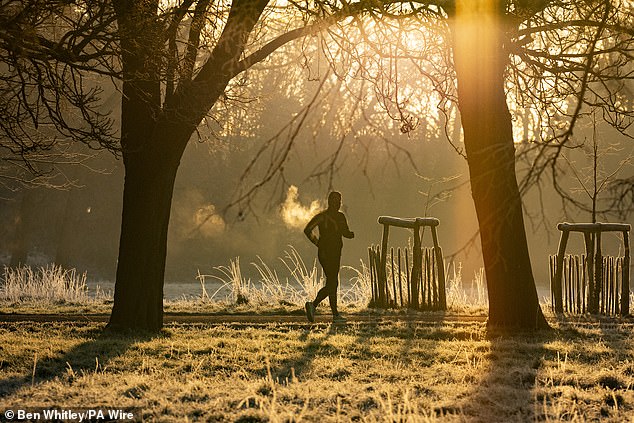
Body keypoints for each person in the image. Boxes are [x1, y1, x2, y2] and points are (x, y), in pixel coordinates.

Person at [304, 191, 354, 323]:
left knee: (333, 282)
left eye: (338, 201)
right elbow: (308, 230)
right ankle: (315, 306)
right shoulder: (329, 217)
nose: (337, 204)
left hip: (333, 253)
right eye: (335, 201)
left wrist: (318, 243)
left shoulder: (327, 216)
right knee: (333, 282)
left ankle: (333, 314)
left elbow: (344, 233)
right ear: (329, 201)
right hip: (327, 254)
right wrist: (317, 243)